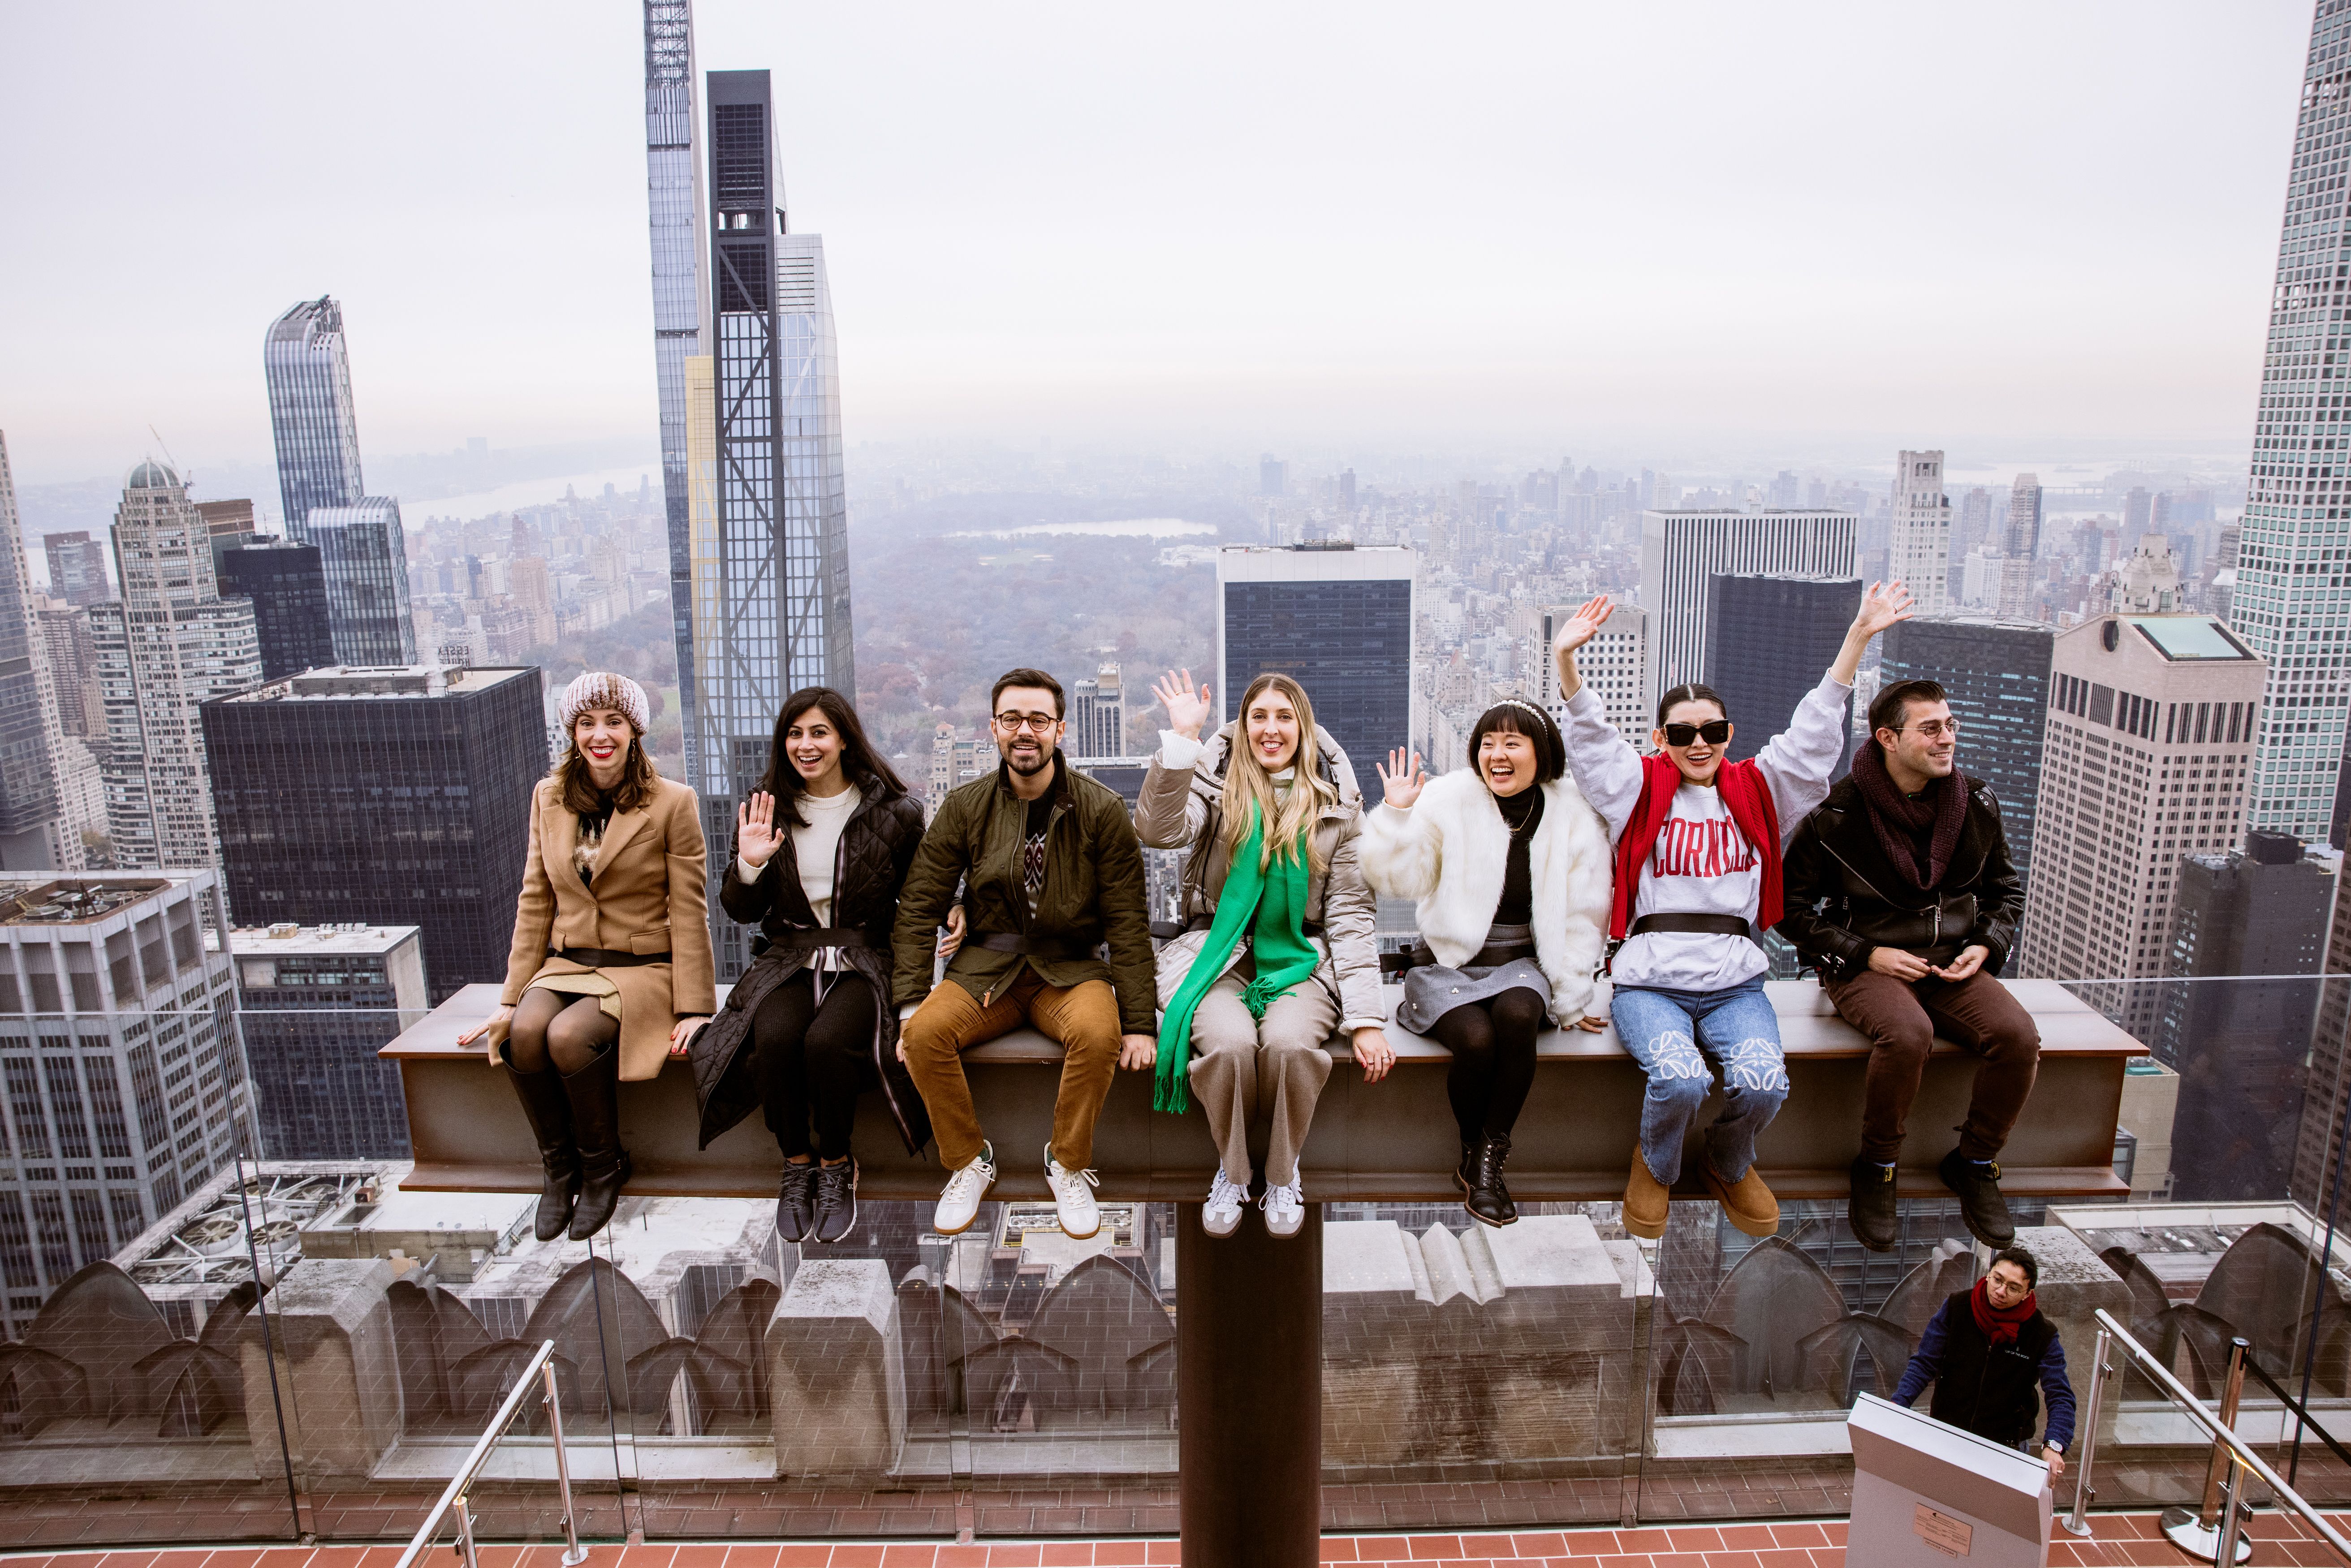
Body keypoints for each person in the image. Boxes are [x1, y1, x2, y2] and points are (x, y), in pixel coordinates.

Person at [1550, 584, 1911, 1243]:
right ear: (1660, 739)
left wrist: (1856, 639)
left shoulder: (1758, 791)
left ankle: (1726, 1160)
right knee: (1680, 1079)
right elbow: (1594, 745)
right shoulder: (1637, 788)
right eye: (1682, 733)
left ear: (1728, 734)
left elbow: (1809, 741)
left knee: (1764, 1083)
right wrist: (1566, 663)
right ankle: (1654, 1166)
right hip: (1649, 981)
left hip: (1734, 983)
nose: (1698, 743)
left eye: (1711, 732)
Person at [892, 667, 1159, 1240]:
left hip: (1071, 968)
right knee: (922, 1036)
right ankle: (968, 1159)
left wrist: (1140, 1021)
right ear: (993, 727)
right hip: (988, 968)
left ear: (1060, 729)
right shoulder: (966, 807)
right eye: (1012, 718)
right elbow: (918, 905)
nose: (1024, 731)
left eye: (1038, 719)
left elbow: (1128, 922)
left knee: (1097, 1033)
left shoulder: (1101, 808)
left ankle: (1066, 1162)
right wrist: (910, 1001)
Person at [1779, 676, 2036, 1252]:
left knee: (2018, 1035)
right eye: (1931, 729)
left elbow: (2005, 889)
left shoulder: (1977, 802)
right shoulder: (1837, 814)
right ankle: (1878, 1166)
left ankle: (1974, 1160)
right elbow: (1789, 909)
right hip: (1866, 962)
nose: (1947, 739)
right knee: (1907, 1032)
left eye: (1950, 725)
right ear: (1888, 738)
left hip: (1952, 962)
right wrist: (1867, 953)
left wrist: (1988, 945)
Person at [1138, 669, 1393, 1239]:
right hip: (1214, 953)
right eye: (1259, 716)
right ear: (1243, 726)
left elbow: (1351, 916)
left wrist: (1368, 1019)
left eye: (1285, 717)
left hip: (1300, 959)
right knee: (1228, 1046)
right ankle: (1233, 1172)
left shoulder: (1340, 811)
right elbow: (1158, 830)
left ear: (1304, 728)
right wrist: (1182, 742)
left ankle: (1282, 1172)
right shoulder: (1215, 792)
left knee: (1287, 1045)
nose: (1271, 729)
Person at [461, 672, 716, 1242]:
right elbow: (536, 899)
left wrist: (696, 1006)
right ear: (571, 731)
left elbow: (690, 906)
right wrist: (509, 996)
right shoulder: (548, 797)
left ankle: (604, 1165)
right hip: (567, 962)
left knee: (568, 1037)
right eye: (586, 723)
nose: (599, 735)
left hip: (640, 968)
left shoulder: (673, 802)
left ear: (634, 731)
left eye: (613, 722)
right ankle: (559, 1168)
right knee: (524, 1031)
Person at [688, 688, 946, 1247]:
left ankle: (836, 1162)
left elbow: (921, 895)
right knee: (776, 1037)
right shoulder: (768, 807)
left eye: (819, 733)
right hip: (790, 957)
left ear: (844, 738)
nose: (806, 745)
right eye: (796, 734)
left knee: (828, 1042)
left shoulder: (894, 811)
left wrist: (919, 986)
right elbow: (740, 911)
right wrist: (750, 863)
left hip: (864, 959)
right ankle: (796, 1162)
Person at [1359, 702, 1612, 1227]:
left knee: (1518, 1017)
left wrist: (1571, 997)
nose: (1497, 754)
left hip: (1523, 962)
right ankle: (1473, 1147)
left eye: (1512, 743)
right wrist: (1398, 815)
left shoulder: (1571, 814)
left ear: (1541, 754)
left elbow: (1585, 915)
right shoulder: (1450, 799)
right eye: (1488, 742)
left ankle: (1489, 1162)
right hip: (1448, 962)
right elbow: (1398, 880)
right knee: (1475, 1039)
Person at [1892, 1246, 2074, 1481]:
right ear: (1989, 1274)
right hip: (1947, 1433)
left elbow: (2060, 1395)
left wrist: (2054, 1444)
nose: (2000, 1291)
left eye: (2013, 1288)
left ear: (2028, 1294)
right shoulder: (1957, 1307)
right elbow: (1925, 1363)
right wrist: (1898, 1405)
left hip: (2005, 1448)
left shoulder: (2042, 1334)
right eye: (1997, 1280)